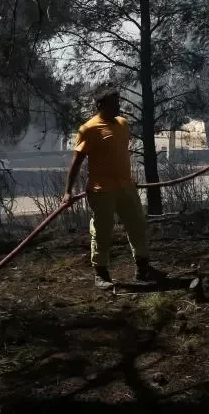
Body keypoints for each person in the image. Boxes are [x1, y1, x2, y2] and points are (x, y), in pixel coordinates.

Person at [62, 88, 165, 288]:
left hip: (126, 187)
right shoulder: (89, 129)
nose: (117, 106)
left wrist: (128, 178)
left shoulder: (122, 125)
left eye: (117, 102)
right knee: (102, 231)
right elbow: (76, 162)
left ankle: (143, 269)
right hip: (102, 190)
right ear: (100, 105)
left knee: (137, 225)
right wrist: (68, 191)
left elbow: (120, 155)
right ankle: (101, 274)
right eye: (112, 103)